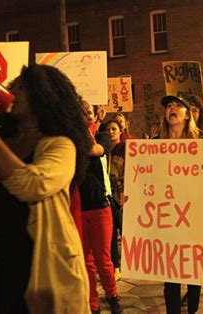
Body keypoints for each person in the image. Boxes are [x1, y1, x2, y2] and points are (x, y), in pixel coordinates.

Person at [0, 64, 92, 313]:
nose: (11, 92)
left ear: (42, 96)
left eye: (21, 87)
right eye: (11, 86)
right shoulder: (1, 142)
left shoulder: (60, 145)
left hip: (39, 271)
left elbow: (31, 185)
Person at [158, 95, 203, 314]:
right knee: (170, 274)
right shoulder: (155, 144)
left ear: (188, 114)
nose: (172, 109)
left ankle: (193, 307)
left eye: (177, 106)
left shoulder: (202, 143)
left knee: (192, 268)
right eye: (168, 106)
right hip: (166, 215)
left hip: (194, 213)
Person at [80, 102, 122, 314]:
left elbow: (94, 149)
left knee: (103, 259)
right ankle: (92, 304)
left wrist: (88, 125)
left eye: (88, 112)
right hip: (78, 207)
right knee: (85, 261)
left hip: (100, 206)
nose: (84, 115)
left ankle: (112, 294)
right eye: (81, 112)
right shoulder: (71, 137)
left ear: (96, 115)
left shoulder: (102, 136)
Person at [105, 119, 126, 282]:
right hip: (108, 195)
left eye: (114, 129)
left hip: (123, 195)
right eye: (108, 129)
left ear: (120, 131)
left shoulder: (125, 148)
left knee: (125, 229)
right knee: (111, 233)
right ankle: (116, 266)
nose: (111, 132)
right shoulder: (103, 150)